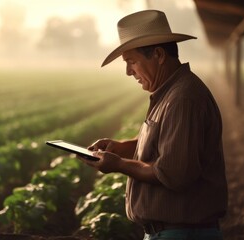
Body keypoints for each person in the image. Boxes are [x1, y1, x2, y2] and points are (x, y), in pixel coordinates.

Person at [78, 10, 228, 240]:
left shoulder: (183, 99)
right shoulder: (171, 93)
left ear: (158, 54)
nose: (128, 72)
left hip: (182, 234)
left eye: (132, 62)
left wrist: (119, 165)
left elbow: (174, 173)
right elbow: (169, 144)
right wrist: (121, 147)